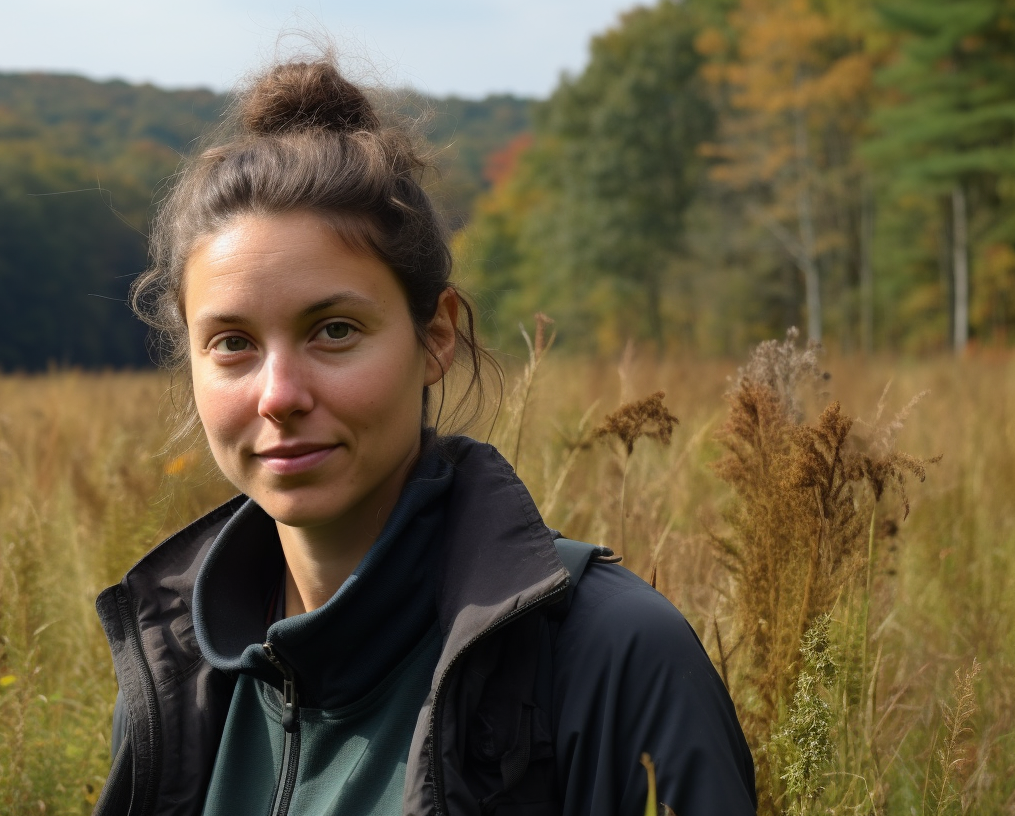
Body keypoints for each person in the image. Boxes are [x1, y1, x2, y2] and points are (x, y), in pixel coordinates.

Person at [94, 57, 756, 816]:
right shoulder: (176, 670)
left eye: (334, 331)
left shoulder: (609, 657)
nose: (278, 395)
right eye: (233, 344)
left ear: (435, 336)